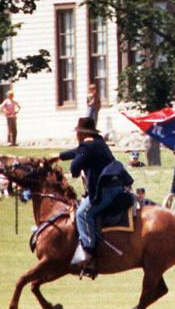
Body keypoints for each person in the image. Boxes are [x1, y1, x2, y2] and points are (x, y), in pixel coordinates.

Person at [54, 117, 132, 275]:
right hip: (115, 186)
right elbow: (77, 152)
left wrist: (75, 161)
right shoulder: (98, 142)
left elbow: (75, 167)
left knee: (83, 213)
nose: (76, 136)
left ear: (82, 134)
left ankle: (88, 251)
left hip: (104, 191)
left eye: (78, 133)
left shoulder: (88, 146)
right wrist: (59, 156)